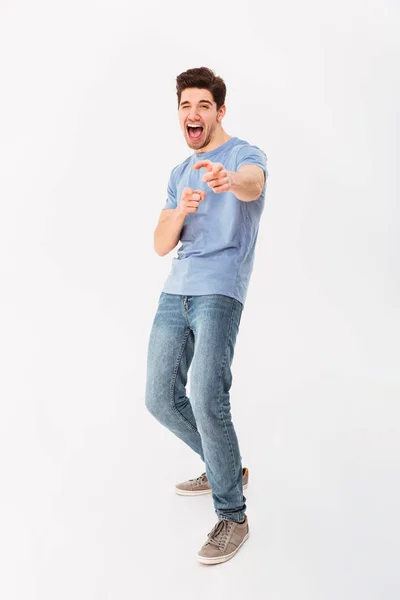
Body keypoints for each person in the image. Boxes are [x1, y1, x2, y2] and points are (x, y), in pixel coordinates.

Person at [145, 66, 268, 565]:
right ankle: (226, 465)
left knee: (205, 393)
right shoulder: (178, 173)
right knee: (158, 397)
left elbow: (252, 185)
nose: (192, 114)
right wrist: (181, 212)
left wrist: (226, 179)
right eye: (184, 106)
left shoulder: (243, 155)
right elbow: (159, 244)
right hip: (176, 292)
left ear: (219, 111)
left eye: (202, 105)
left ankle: (232, 516)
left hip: (220, 291)